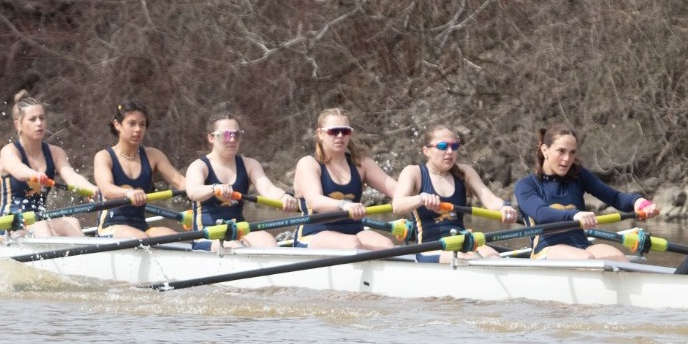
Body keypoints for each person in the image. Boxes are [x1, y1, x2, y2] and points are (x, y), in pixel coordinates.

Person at [512, 124, 659, 260]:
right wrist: (574, 215)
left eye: (572, 152)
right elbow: (541, 213)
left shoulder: (579, 176)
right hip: (546, 250)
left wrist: (638, 202)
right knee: (586, 259)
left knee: (619, 258)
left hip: (583, 246)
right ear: (545, 150)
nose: (567, 159)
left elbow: (615, 197)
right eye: (561, 151)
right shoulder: (525, 186)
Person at [390, 125, 518, 258]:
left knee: (494, 257)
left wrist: (504, 207)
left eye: (454, 146)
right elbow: (397, 205)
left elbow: (489, 199)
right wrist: (421, 198)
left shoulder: (465, 172)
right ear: (426, 151)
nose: (450, 151)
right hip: (429, 248)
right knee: (467, 258)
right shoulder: (413, 172)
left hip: (462, 242)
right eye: (442, 146)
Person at [183, 113, 299, 247]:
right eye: (226, 135)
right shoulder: (199, 166)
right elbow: (193, 192)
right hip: (207, 235)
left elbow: (268, 190)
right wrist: (214, 188)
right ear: (211, 138)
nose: (232, 139)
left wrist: (284, 197)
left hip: (238, 230)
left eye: (236, 134)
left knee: (268, 241)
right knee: (233, 246)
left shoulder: (250, 165)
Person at [293, 108, 399, 249]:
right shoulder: (309, 163)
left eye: (345, 131)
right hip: (314, 233)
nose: (340, 135)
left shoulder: (362, 164)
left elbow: (397, 191)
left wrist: (421, 196)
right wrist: (344, 205)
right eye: (333, 131)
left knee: (386, 245)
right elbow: (315, 201)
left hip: (354, 230)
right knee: (352, 244)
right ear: (320, 134)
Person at [0, 91, 98, 236]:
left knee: (72, 223)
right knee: (41, 226)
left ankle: (86, 251)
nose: (39, 123)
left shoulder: (55, 152)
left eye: (42, 118)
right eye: (32, 119)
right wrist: (33, 174)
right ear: (18, 125)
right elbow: (18, 170)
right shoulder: (9, 151)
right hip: (10, 223)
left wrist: (92, 189)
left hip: (38, 220)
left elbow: (72, 177)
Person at [91, 99, 185, 239]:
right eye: (132, 123)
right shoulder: (104, 157)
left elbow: (180, 181)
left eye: (142, 124)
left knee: (173, 237)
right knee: (141, 238)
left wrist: (209, 189)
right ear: (117, 124)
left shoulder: (153, 155)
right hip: (110, 227)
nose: (138, 129)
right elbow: (106, 189)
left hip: (141, 227)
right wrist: (128, 193)